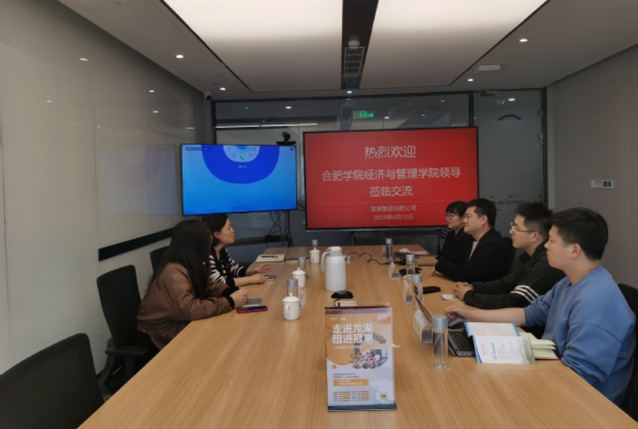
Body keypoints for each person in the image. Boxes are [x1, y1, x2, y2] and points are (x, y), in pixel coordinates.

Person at [446, 207, 635, 405]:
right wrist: (469, 316)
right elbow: (527, 314)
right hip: (555, 381)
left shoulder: (594, 301)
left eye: (552, 240)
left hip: (583, 405)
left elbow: (577, 378)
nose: (546, 246)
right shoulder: (570, 281)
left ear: (574, 250)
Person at [137, 220, 248, 349]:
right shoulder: (173, 273)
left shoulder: (190, 262)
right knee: (217, 339)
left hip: (178, 321)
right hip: (161, 330)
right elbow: (189, 309)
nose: (209, 248)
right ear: (196, 245)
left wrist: (227, 292)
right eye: (207, 243)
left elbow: (208, 286)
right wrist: (229, 302)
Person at [453, 201, 565, 309]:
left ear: (534, 236)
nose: (511, 231)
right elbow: (506, 283)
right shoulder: (532, 258)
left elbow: (514, 301)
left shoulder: (545, 263)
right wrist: (473, 287)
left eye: (516, 227)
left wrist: (468, 296)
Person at [433, 198, 510, 282]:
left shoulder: (492, 245)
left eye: (468, 217)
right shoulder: (477, 240)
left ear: (483, 219)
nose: (464, 220)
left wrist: (440, 264)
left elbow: (466, 275)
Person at [203, 214, 271, 288]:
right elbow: (220, 283)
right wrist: (251, 279)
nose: (232, 231)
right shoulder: (206, 255)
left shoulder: (222, 250)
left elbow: (233, 268)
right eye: (228, 228)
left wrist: (252, 272)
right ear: (216, 234)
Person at [438, 200, 473, 265]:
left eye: (451, 216)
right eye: (447, 216)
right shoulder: (450, 235)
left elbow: (457, 260)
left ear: (463, 217)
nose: (448, 219)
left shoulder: (467, 236)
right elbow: (443, 256)